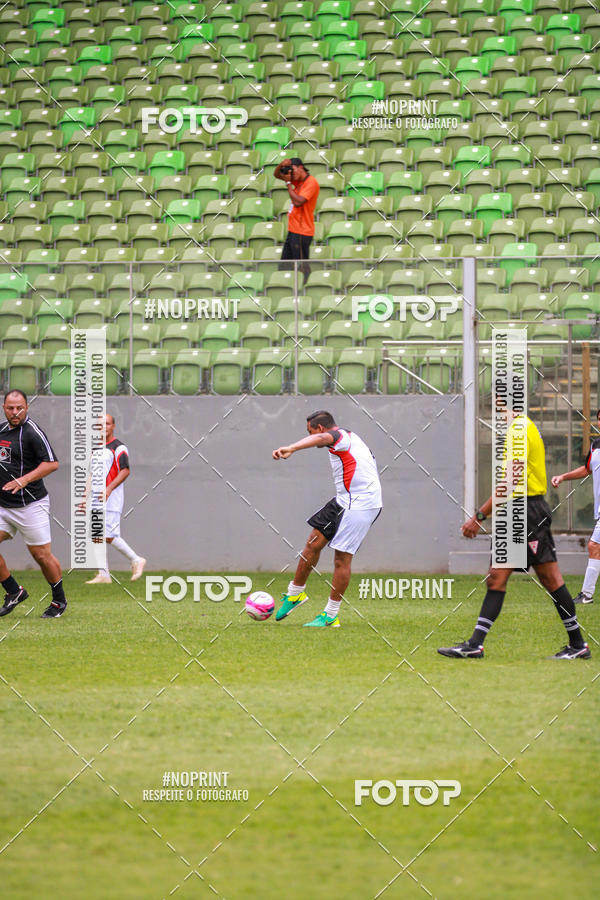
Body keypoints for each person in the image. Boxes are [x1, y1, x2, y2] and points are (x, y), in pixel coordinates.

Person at [438, 405, 590, 659]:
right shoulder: (522, 427)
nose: (495, 412)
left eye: (498, 405)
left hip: (525, 512)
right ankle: (576, 645)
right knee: (509, 577)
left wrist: (479, 516)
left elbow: (512, 480)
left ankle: (577, 645)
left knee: (531, 577)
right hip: (524, 510)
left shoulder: (519, 429)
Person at [272, 410, 382, 627]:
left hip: (362, 504)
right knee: (312, 544)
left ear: (320, 428)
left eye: (310, 431)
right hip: (343, 500)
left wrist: (292, 448)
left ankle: (331, 615)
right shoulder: (346, 439)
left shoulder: (339, 436)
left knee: (341, 559)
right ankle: (295, 595)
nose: (310, 435)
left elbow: (322, 439)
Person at [0, 389, 67, 618]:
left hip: (30, 505)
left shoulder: (32, 432)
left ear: (26, 407)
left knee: (41, 556)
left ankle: (59, 600)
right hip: (3, 506)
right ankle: (13, 592)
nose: (15, 412)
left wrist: (23, 479)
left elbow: (52, 464)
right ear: (4, 408)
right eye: (11, 408)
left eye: (19, 408)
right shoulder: (1, 430)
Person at [86, 413, 146, 584]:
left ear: (113, 426)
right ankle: (103, 574)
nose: (103, 427)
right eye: (99, 424)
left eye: (106, 423)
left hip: (111, 498)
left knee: (109, 534)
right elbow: (91, 474)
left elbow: (125, 470)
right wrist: (84, 498)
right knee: (97, 534)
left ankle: (136, 559)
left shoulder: (119, 447)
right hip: (96, 499)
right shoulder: (95, 448)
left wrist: (109, 489)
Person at [551, 408, 600, 605]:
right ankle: (586, 594)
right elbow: (587, 469)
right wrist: (563, 477)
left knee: (594, 545)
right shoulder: (596, 445)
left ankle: (587, 594)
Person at [274, 157, 320, 283]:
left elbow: (298, 202)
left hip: (302, 231)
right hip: (293, 230)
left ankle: (305, 289)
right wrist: (281, 165)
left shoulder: (311, 182)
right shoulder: (298, 181)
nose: (291, 174)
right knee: (285, 265)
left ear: (301, 167)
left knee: (301, 265)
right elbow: (277, 175)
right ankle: (287, 289)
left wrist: (288, 184)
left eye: (292, 170)